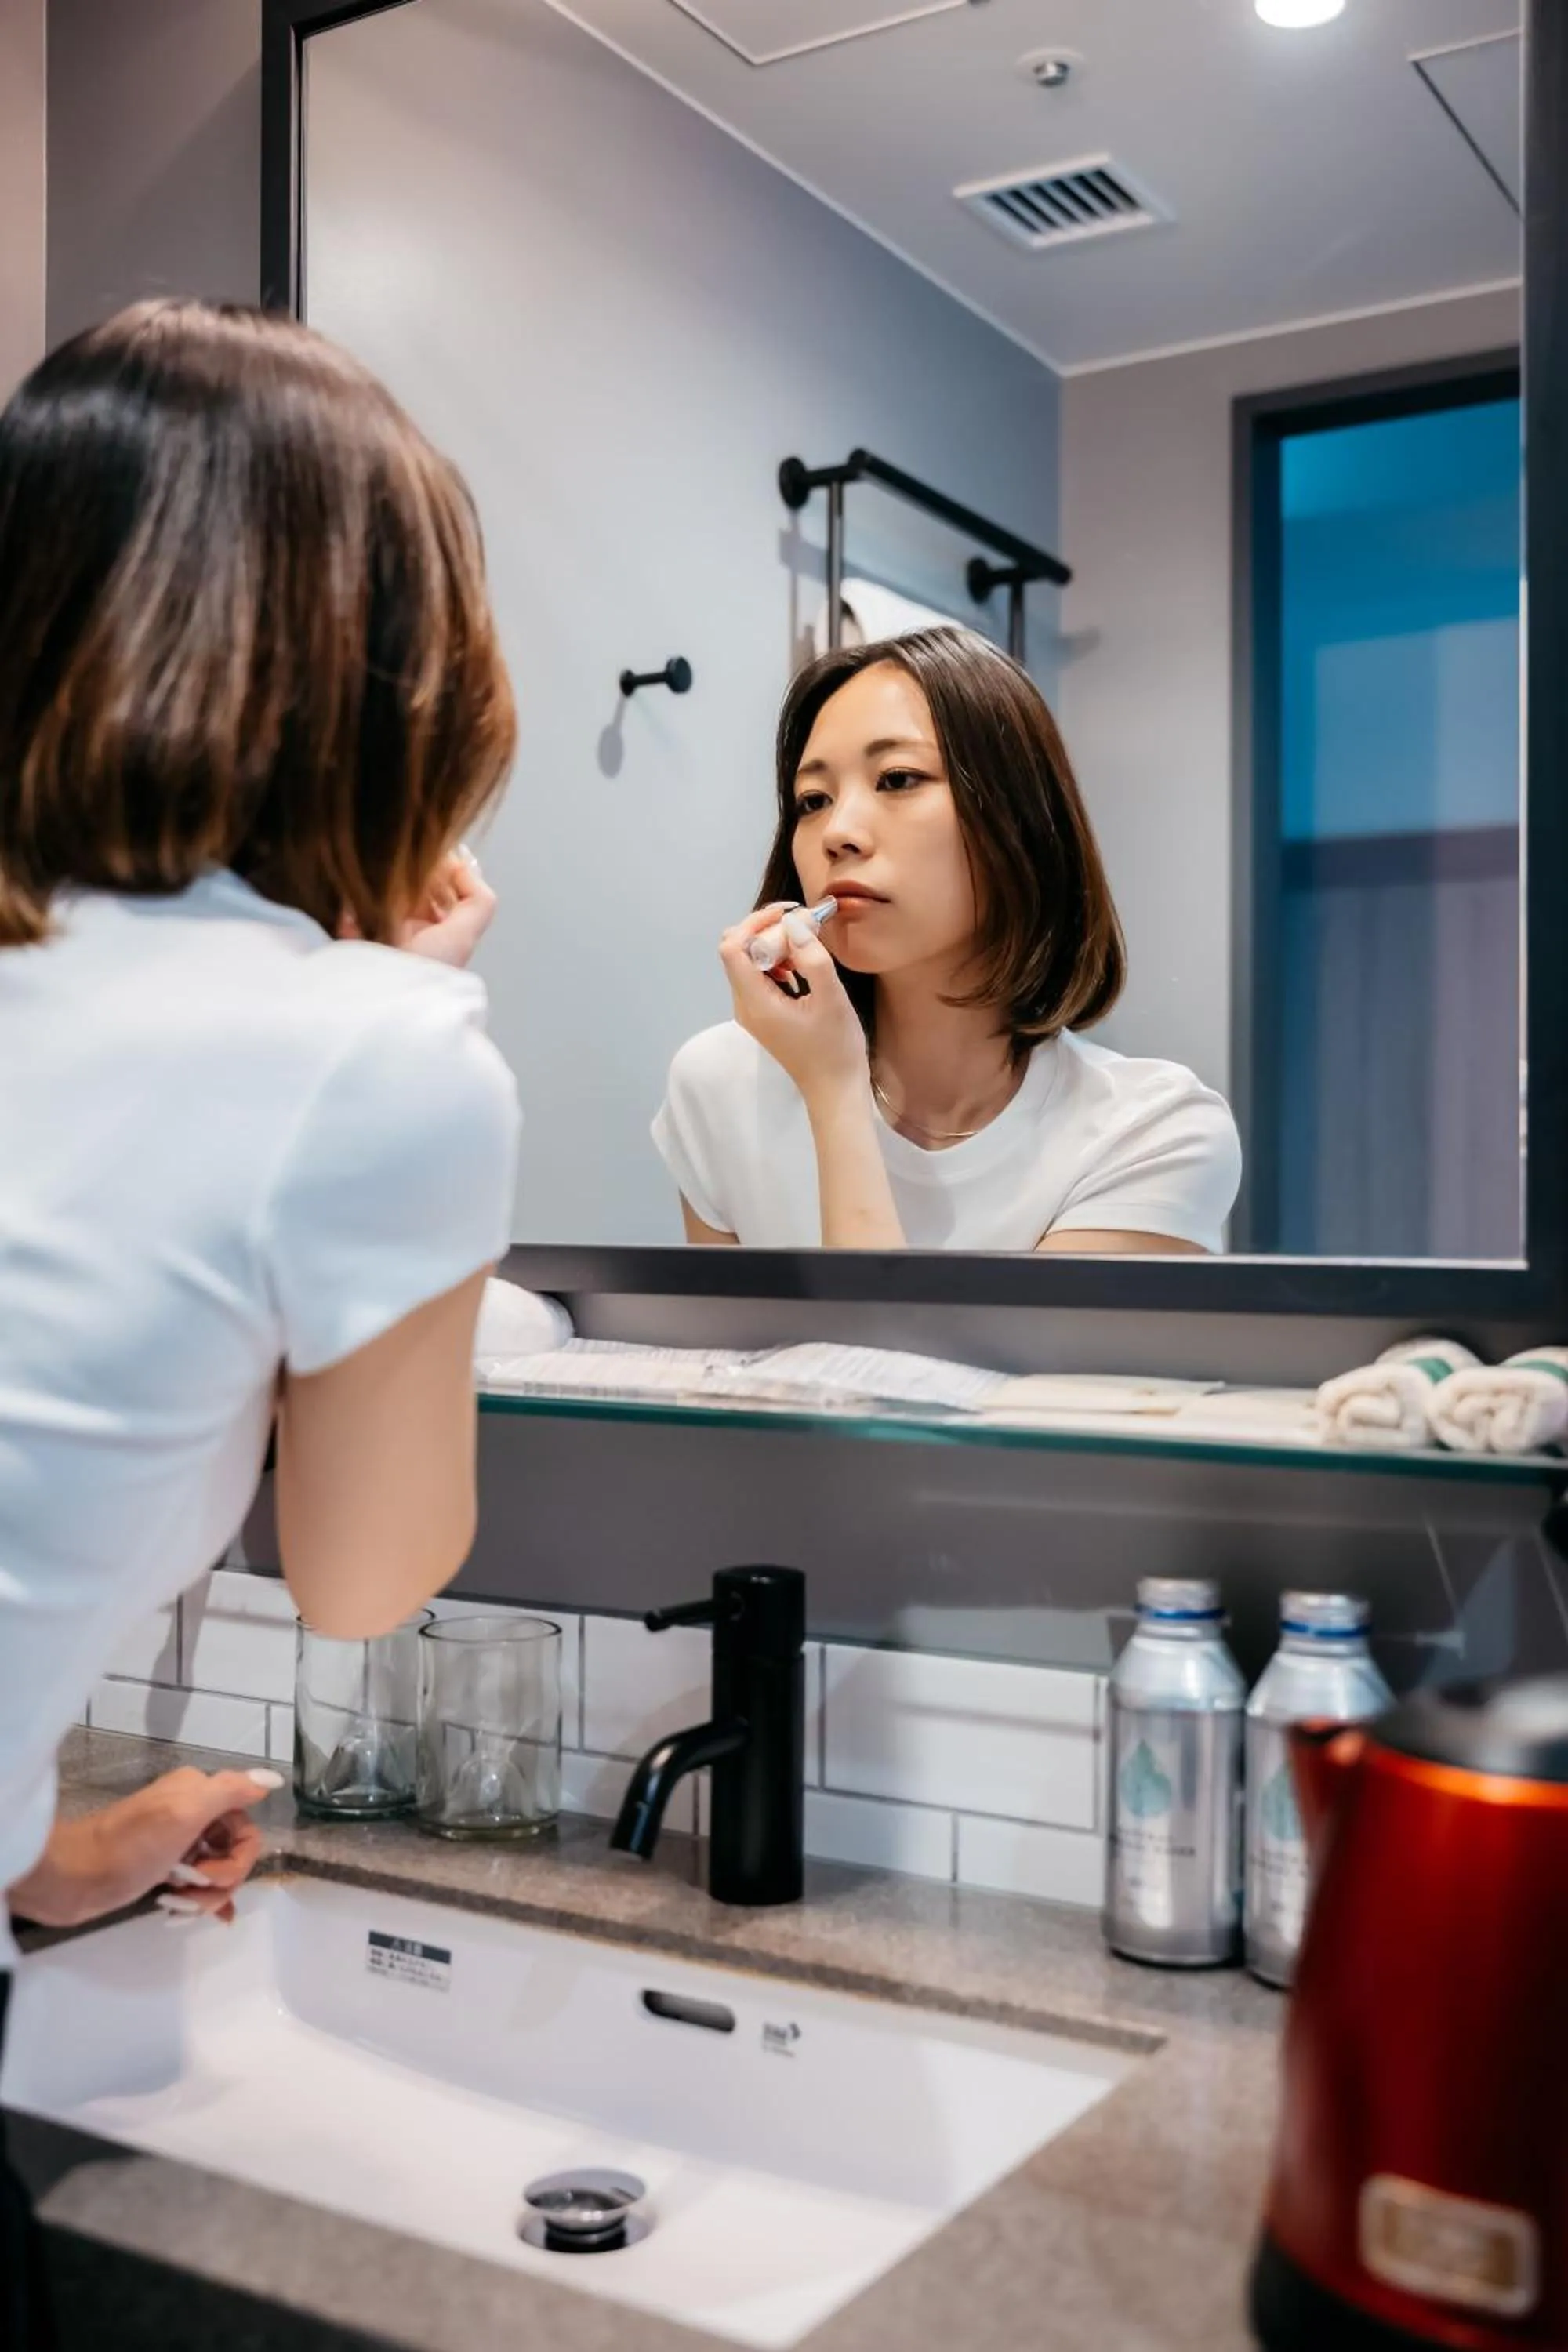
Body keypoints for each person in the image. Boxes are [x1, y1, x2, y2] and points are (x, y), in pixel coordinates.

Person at [0, 299, 522, 2346]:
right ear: (393, 676)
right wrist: (409, 1007)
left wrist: (40, 1863)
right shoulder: (376, 1058)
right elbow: (374, 1576)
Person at [654, 628, 1240, 1252]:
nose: (839, 832)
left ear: (1018, 817)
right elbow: (731, 1356)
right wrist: (832, 1085)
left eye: (898, 779)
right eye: (813, 799)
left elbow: (878, 1357)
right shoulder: (719, 1086)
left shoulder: (1152, 1134)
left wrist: (835, 1094)